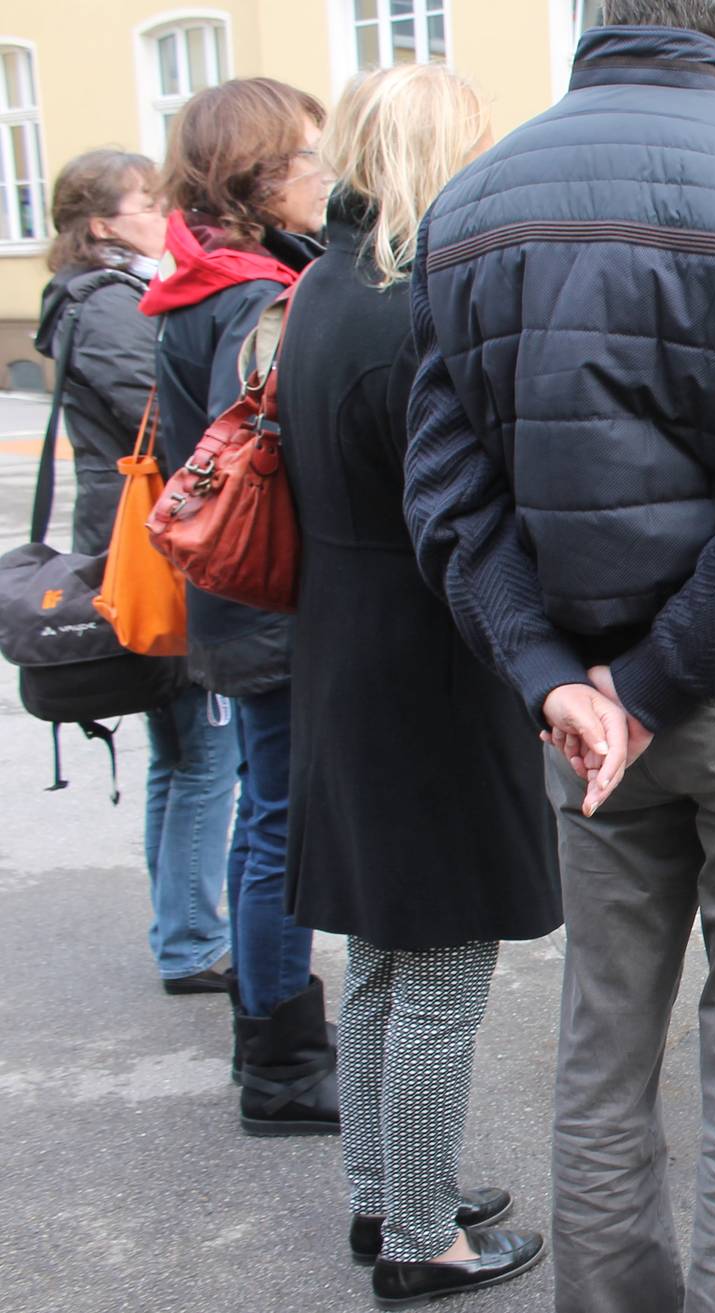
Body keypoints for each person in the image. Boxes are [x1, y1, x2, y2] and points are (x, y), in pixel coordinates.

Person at [401, 2, 715, 1308]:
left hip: (584, 708)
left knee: (600, 1052)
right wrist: (646, 689)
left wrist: (558, 676)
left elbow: (446, 498)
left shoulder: (470, 203)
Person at [276, 66, 558, 1305]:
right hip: (424, 665)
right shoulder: (413, 309)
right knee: (439, 966)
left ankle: (388, 1190)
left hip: (349, 651)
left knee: (386, 955)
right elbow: (472, 511)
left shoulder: (325, 290)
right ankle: (420, 1240)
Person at [142, 77, 340, 1135]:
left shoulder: (197, 280)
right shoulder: (252, 299)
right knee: (277, 825)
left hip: (231, 597)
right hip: (268, 599)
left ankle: (265, 1036)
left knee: (262, 814)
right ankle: (283, 1066)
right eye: (312, 158)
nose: (327, 175)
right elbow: (282, 451)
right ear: (262, 178)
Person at [35, 150, 239, 997]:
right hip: (156, 551)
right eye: (150, 205)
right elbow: (158, 410)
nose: (169, 219)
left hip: (133, 543)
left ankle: (179, 924)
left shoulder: (91, 301)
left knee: (179, 749)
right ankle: (191, 939)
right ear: (101, 225)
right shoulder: (110, 306)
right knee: (204, 756)